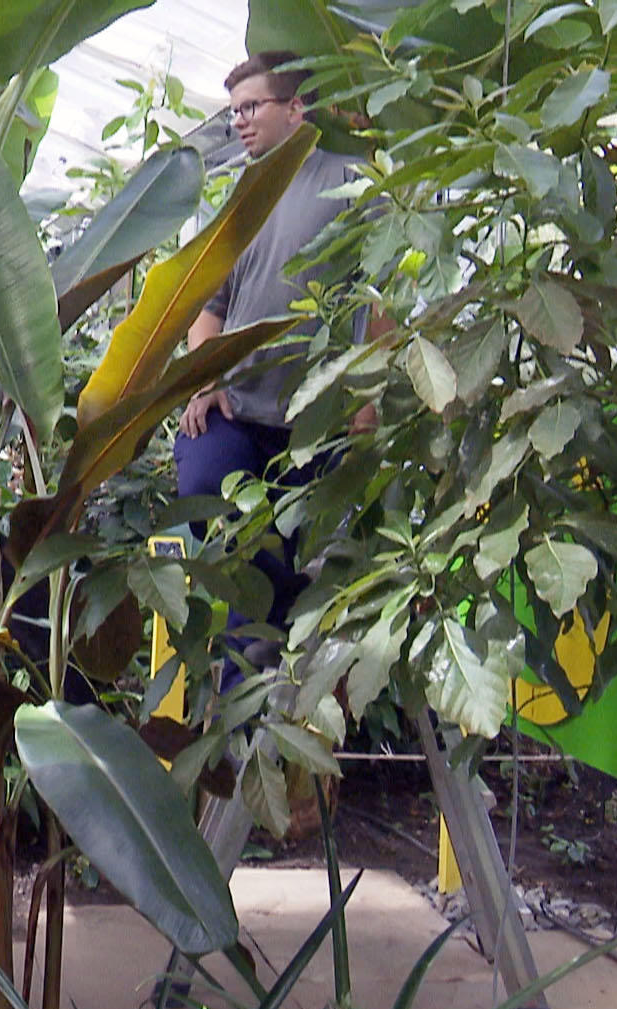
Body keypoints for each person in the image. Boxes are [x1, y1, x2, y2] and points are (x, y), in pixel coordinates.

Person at [176, 51, 384, 686]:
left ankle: (257, 705)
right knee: (209, 499)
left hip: (314, 423)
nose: (239, 121)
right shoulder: (241, 195)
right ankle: (256, 680)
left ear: (295, 109)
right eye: (234, 110)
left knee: (292, 565)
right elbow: (205, 307)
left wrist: (369, 403)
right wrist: (205, 378)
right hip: (237, 412)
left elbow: (376, 297)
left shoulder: (350, 182)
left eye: (251, 107)